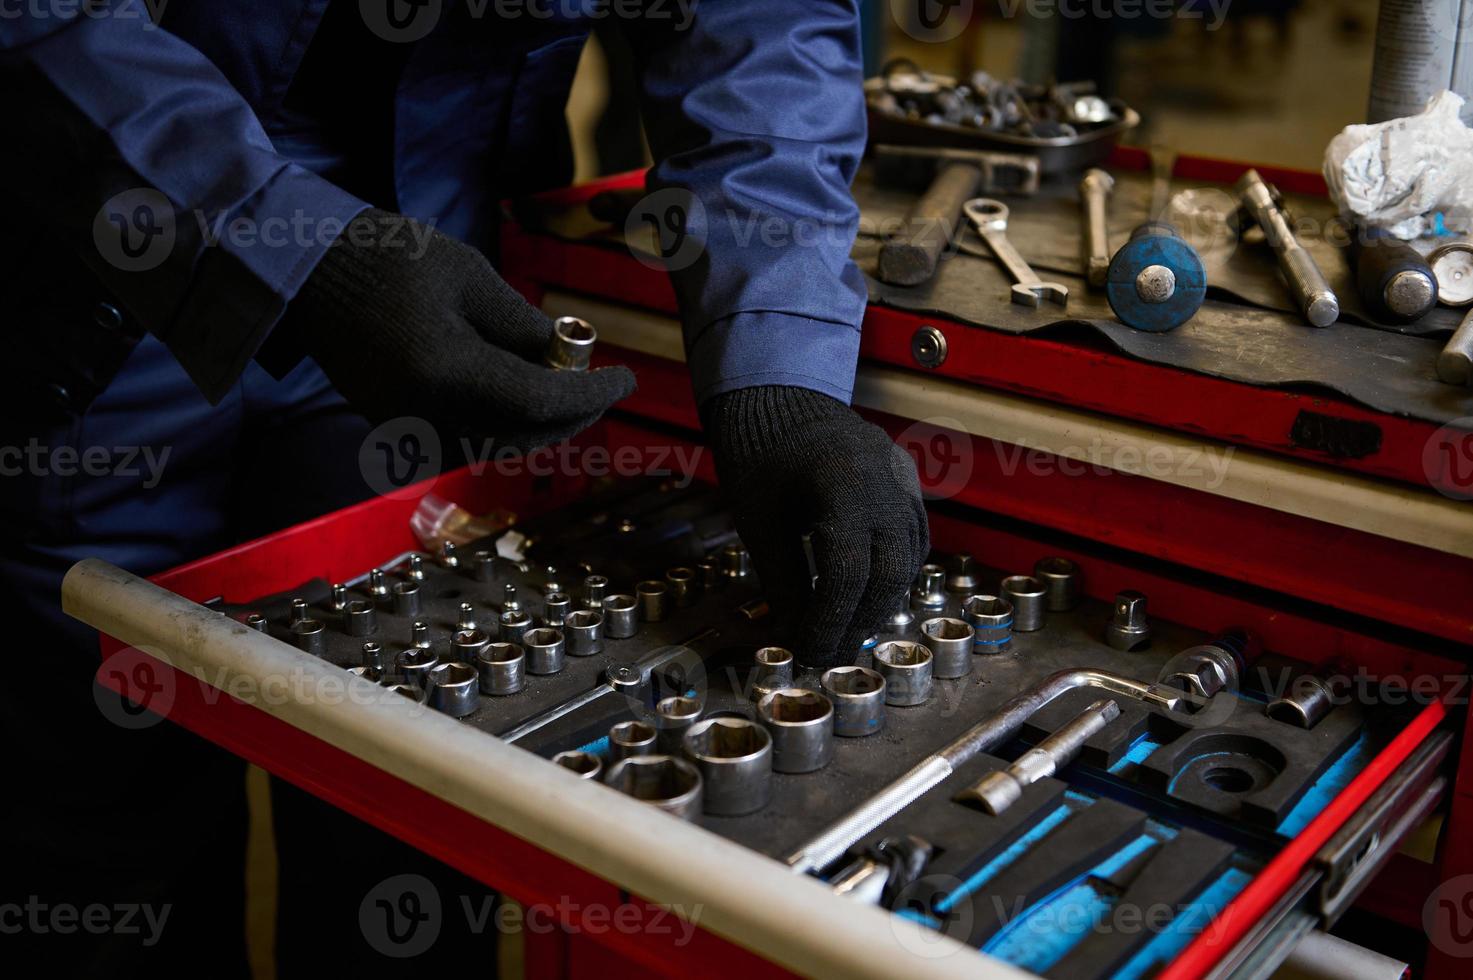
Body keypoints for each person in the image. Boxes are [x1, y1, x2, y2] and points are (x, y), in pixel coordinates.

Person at [1, 0, 927, 973]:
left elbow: (760, 23)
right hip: (107, 242)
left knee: (401, 807)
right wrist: (293, 245)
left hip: (431, 245)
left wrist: (779, 367)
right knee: (102, 807)